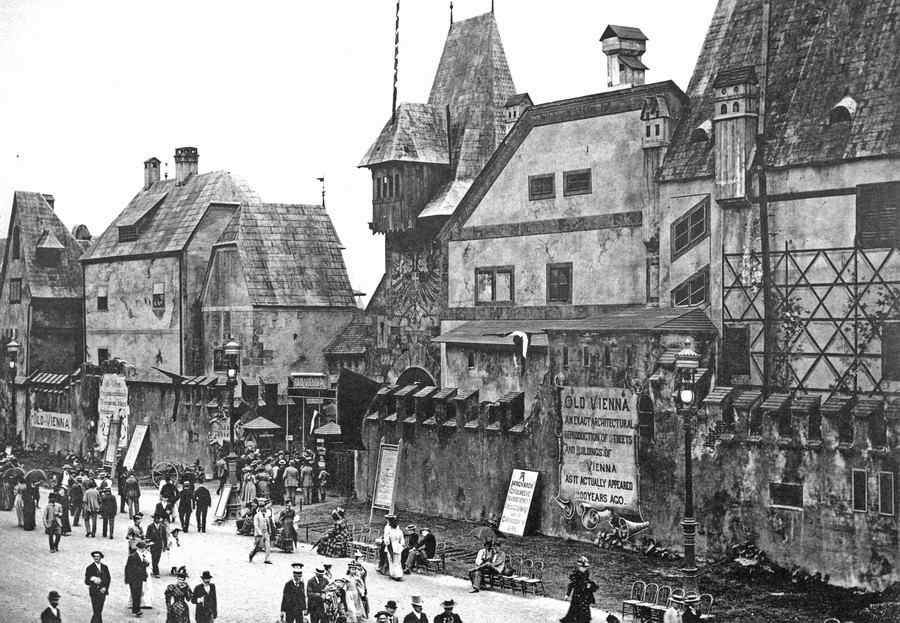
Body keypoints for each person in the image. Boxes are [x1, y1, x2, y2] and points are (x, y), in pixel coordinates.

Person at [560, 556, 599, 623]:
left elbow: (587, 581)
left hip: (584, 595)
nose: (584, 569)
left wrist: (590, 585)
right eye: (583, 567)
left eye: (585, 567)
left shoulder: (586, 574)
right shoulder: (576, 574)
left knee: (585, 610)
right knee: (575, 611)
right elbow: (571, 585)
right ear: (579, 566)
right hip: (577, 595)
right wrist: (567, 594)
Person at [85, 550, 111, 623]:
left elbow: (108, 578)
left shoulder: (105, 567)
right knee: (96, 610)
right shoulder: (89, 568)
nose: (96, 558)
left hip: (103, 591)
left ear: (101, 557)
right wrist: (93, 581)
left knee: (99, 609)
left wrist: (105, 588)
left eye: (98, 556)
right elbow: (86, 581)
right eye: (95, 556)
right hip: (94, 591)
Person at [125, 542, 149, 617]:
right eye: (144, 548)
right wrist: (127, 579)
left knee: (138, 593)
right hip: (134, 579)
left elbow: (143, 565)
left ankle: (136, 609)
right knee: (136, 594)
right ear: (140, 548)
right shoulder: (133, 556)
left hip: (139, 578)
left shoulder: (142, 556)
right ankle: (136, 610)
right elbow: (128, 568)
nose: (145, 549)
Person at [249, 498, 272, 564]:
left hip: (266, 532)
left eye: (264, 507)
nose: (264, 509)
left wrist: (269, 531)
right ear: (259, 508)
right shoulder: (256, 516)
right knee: (257, 547)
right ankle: (251, 554)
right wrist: (259, 533)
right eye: (262, 507)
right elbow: (256, 526)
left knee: (268, 546)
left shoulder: (266, 515)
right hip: (260, 534)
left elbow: (268, 524)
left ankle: (267, 559)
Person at [146, 512, 168, 577]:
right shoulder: (150, 527)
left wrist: (165, 546)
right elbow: (147, 536)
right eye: (155, 518)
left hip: (159, 545)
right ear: (154, 519)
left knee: (158, 557)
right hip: (153, 544)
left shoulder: (162, 527)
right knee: (154, 557)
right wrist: (148, 545)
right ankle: (156, 572)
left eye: (158, 518)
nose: (157, 520)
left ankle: (154, 568)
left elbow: (164, 537)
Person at [383, 514, 405, 580]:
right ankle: (398, 574)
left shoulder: (390, 532)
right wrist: (401, 546)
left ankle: (394, 574)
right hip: (398, 546)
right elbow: (402, 541)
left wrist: (387, 544)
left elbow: (386, 541)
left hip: (391, 546)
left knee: (391, 560)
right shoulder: (400, 532)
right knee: (398, 561)